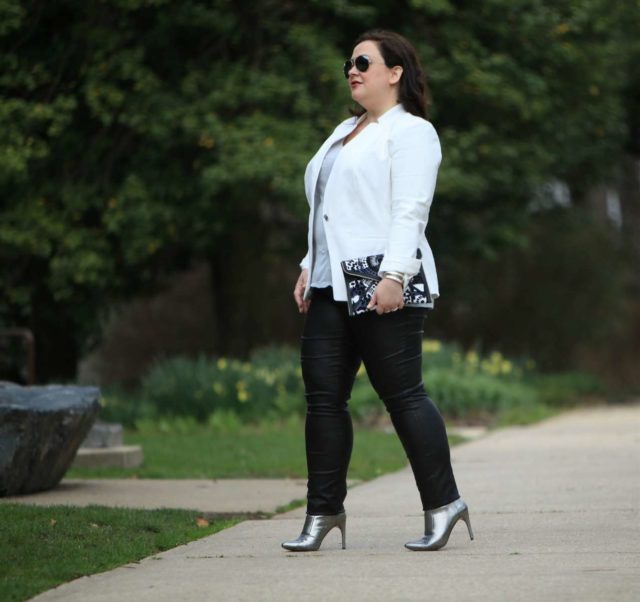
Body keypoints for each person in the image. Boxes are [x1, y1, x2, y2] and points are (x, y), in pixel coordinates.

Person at [281, 29, 474, 552]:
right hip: (329, 284)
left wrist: (394, 276)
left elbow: (409, 209)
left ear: (396, 73)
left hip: (381, 278)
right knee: (323, 401)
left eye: (364, 61)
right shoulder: (343, 131)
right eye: (349, 62)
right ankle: (322, 514)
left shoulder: (411, 132)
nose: (353, 69)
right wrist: (308, 264)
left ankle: (443, 503)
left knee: (404, 397)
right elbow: (328, 209)